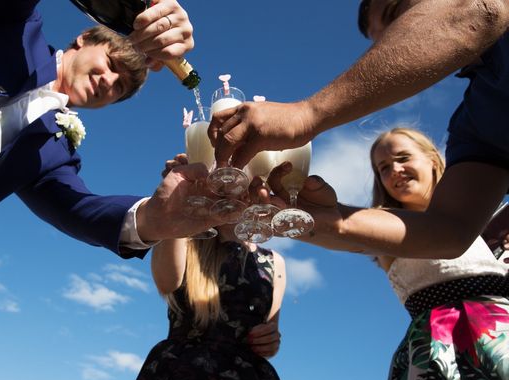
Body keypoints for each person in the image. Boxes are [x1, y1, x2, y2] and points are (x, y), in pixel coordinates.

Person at [0, 0, 213, 371]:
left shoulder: (55, 149)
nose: (110, 82)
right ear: (83, 39)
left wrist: (155, 218)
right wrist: (139, 10)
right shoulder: (13, 27)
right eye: (112, 65)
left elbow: (77, 207)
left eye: (121, 87)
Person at [208, 0, 509, 260]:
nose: (400, 36)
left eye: (396, 12)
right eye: (384, 42)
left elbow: (479, 10)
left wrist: (307, 114)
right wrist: (331, 221)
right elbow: (449, 230)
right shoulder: (477, 125)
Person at [310, 127, 509, 380]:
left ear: (434, 161)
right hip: (438, 356)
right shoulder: (390, 231)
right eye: (383, 167)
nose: (394, 171)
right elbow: (341, 231)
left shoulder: (489, 218)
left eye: (403, 158)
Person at [101, 155, 297, 380]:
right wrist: (178, 209)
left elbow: (270, 333)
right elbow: (166, 282)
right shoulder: (191, 238)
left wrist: (272, 340)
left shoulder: (274, 261)